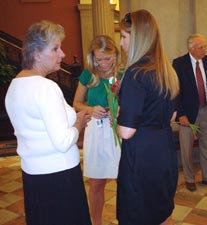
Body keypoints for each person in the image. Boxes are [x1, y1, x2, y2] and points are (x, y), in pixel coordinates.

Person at [5, 20, 92, 225]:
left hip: (33, 176)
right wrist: (78, 123)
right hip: (59, 178)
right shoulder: (46, 87)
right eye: (55, 48)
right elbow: (62, 142)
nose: (62, 54)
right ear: (36, 54)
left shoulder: (15, 86)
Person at [116, 10, 179, 225]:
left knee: (138, 214)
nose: (121, 43)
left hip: (141, 157)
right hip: (165, 150)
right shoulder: (166, 71)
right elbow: (172, 115)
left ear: (138, 38)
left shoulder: (135, 73)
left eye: (124, 37)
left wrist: (118, 117)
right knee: (162, 212)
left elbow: (126, 131)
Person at [73, 35, 121, 225]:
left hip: (118, 130)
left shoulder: (123, 74)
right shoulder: (88, 75)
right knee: (96, 183)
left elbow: (131, 103)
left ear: (115, 55)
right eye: (98, 59)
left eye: (107, 58)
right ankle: (97, 222)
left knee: (123, 181)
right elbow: (76, 103)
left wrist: (120, 111)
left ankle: (125, 218)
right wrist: (91, 109)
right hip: (95, 131)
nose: (103, 63)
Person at [172, 34, 207, 191]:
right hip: (188, 114)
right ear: (191, 48)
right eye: (201, 47)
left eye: (204, 47)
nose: (204, 50)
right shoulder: (179, 63)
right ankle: (189, 179)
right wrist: (181, 114)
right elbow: (176, 91)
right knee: (186, 148)